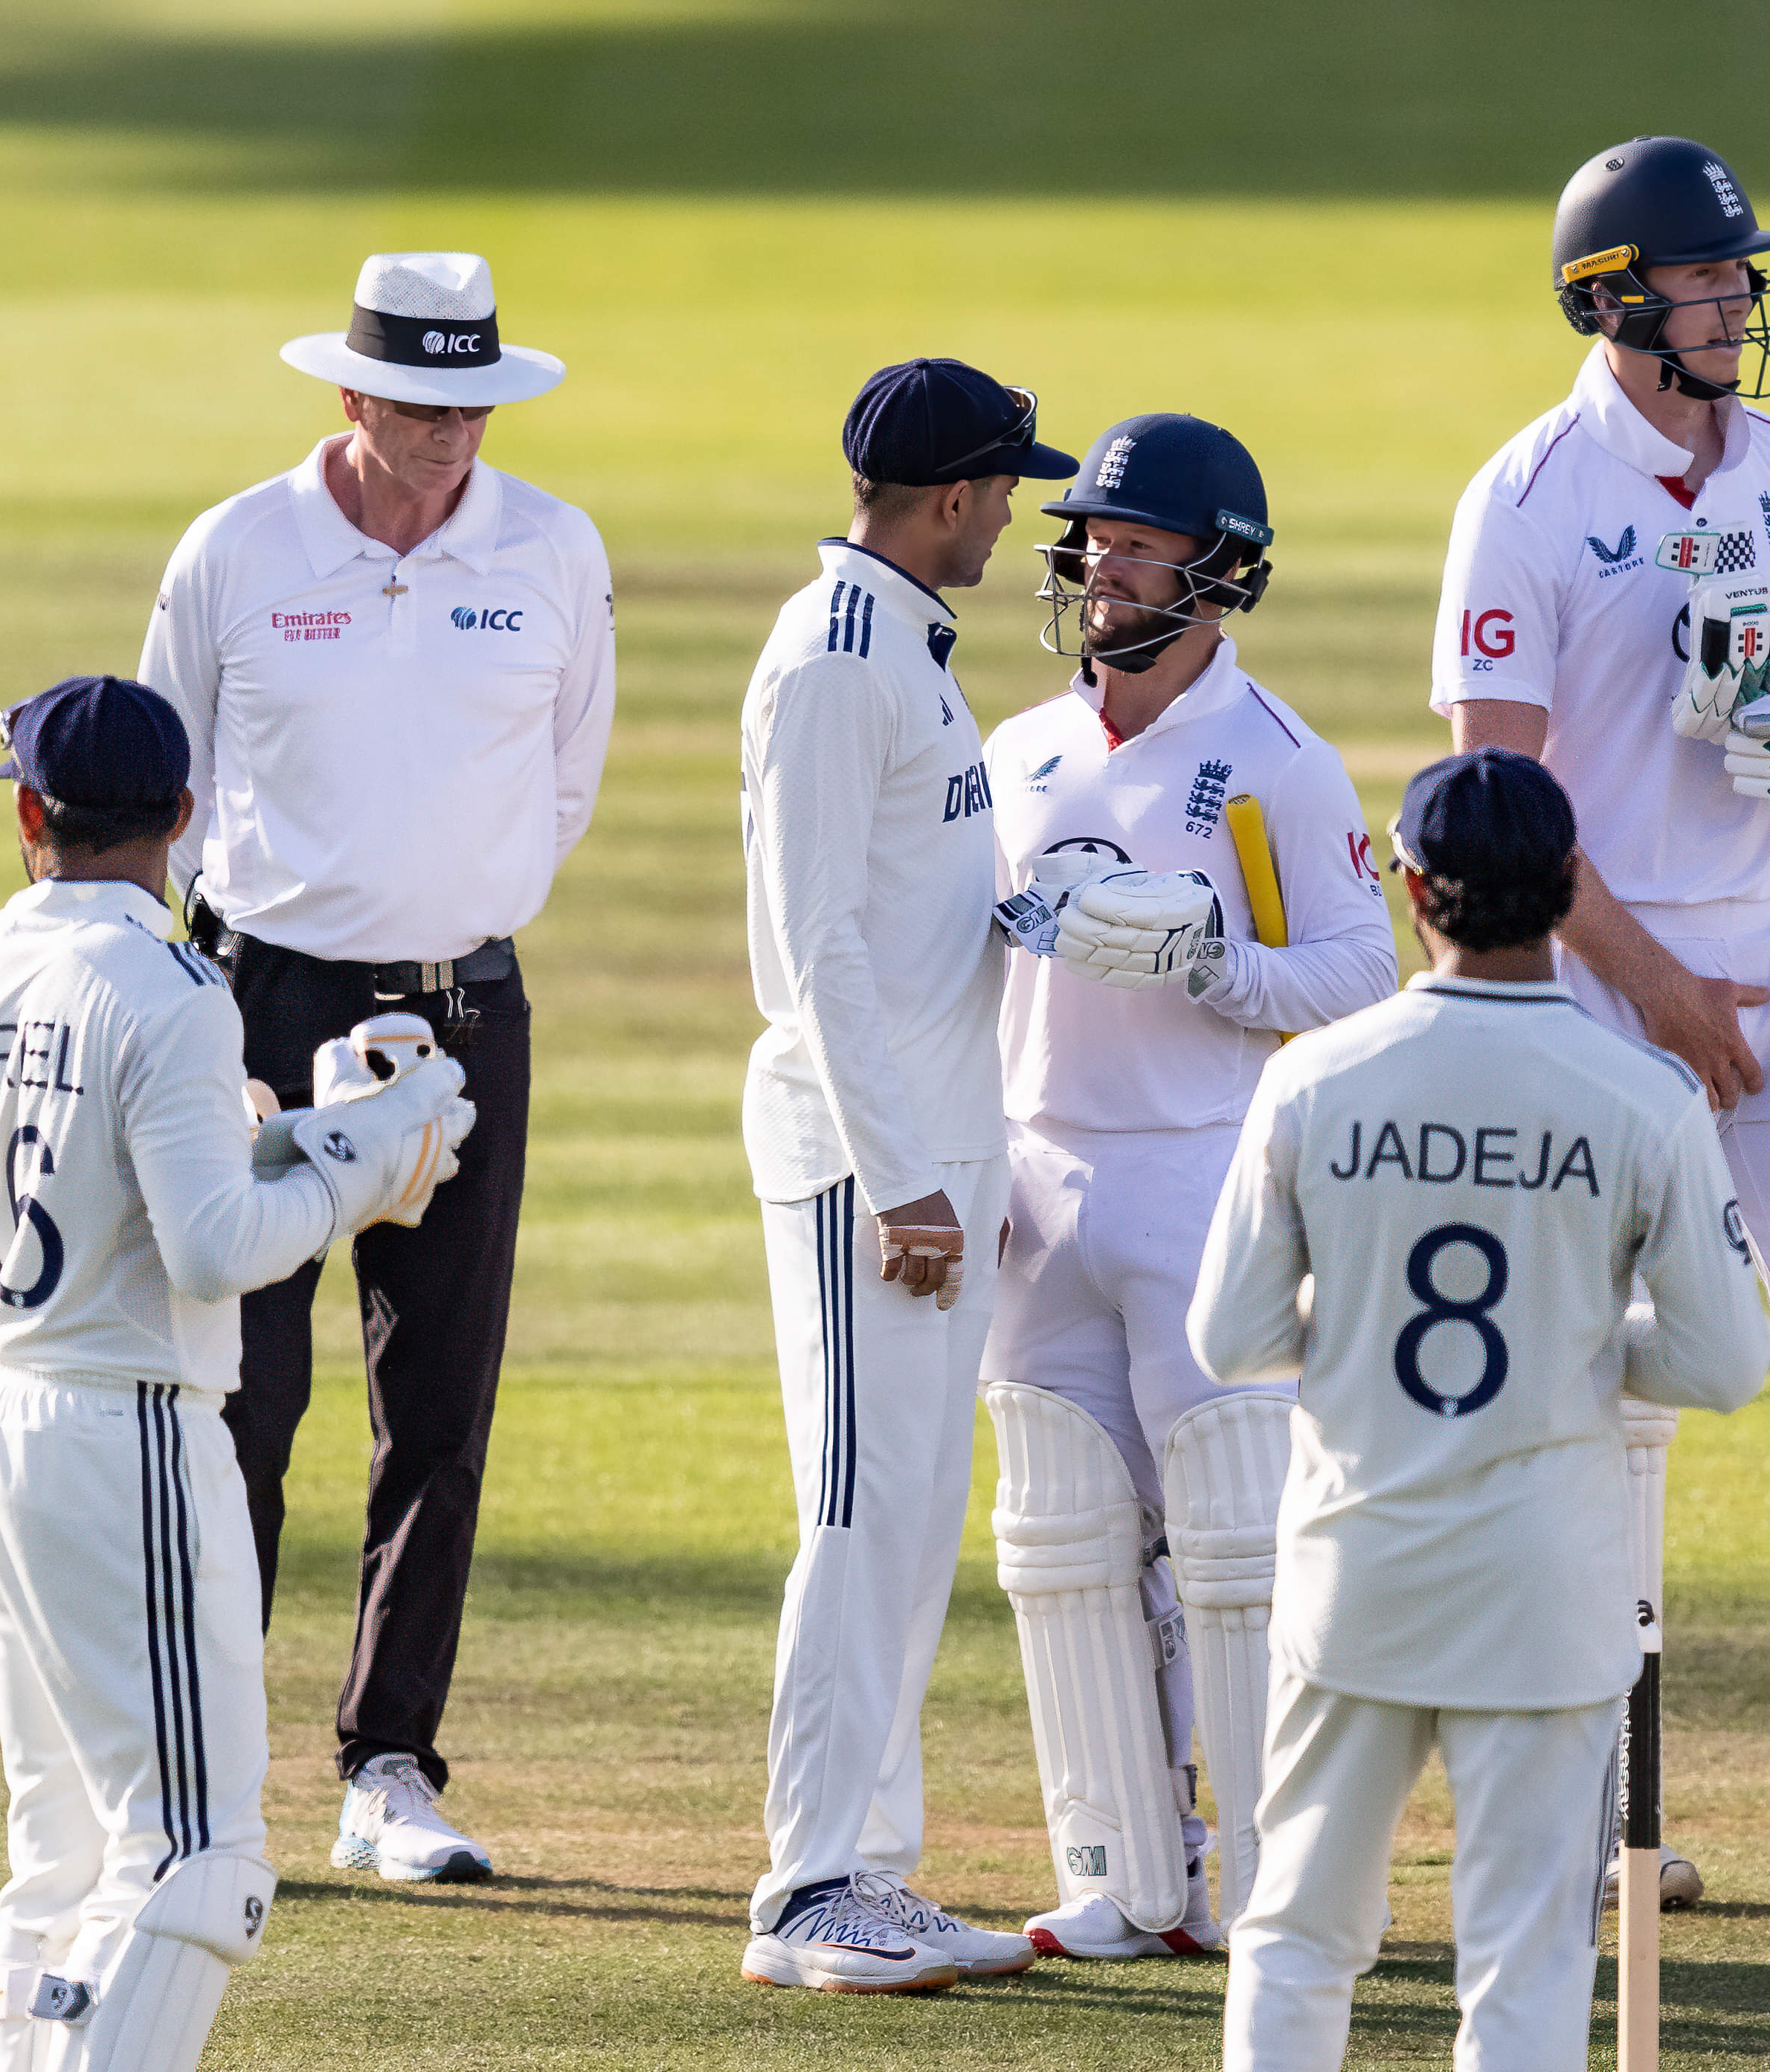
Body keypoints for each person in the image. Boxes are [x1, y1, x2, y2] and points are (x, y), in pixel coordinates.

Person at [1430, 136, 1770, 1888]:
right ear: (1615, 300)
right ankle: (1598, 1792)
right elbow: (1492, 804)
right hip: (1599, 972)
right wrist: (1658, 985)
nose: (1744, 301)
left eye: (1746, 276)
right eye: (1714, 278)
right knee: (1605, 1389)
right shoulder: (1520, 497)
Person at [0, 675, 476, 2072]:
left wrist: (205, 1169)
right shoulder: (174, 989)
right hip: (124, 1429)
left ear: (28, 816)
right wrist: (354, 1159)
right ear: (183, 819)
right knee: (197, 1855)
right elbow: (213, 1255)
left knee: (62, 1847)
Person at [136, 251, 614, 1884]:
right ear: (351, 396)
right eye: (419, 404)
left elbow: (563, 783)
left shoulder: (551, 548)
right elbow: (163, 778)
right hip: (266, 1004)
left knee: (440, 1398)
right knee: (248, 1391)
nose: (449, 434)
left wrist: (447, 919)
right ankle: (203, 1764)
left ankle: (389, 1765)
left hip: (468, 1008)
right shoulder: (240, 548)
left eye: (471, 403)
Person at [1190, 748, 1769, 2072]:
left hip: (1356, 1576)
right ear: (1568, 887)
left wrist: (1360, 1335)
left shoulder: (1315, 1078)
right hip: (1543, 1593)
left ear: (1410, 888)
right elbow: (1725, 1361)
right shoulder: (1646, 1098)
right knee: (1524, 1960)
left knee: (1294, 1937)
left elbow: (1228, 1335)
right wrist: (1577, 1342)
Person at [976, 413, 1397, 1960]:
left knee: (1233, 1549)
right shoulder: (1014, 750)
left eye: (1140, 543)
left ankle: (1273, 1878)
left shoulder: (1276, 761)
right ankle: (1123, 1871)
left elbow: (1361, 973)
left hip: (1199, 1177)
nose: (1103, 567)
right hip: (1036, 1175)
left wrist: (1217, 964)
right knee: (1066, 1539)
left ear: (1220, 573)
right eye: (1093, 537)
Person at [736, 358, 1078, 1993]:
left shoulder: (901, 653)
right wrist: (900, 1182)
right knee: (860, 1514)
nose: (1017, 513)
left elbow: (903, 908)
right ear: (950, 498)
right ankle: (810, 1888)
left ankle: (870, 1865)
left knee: (909, 1517)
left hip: (939, 1151)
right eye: (1006, 488)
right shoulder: (836, 661)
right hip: (867, 1170)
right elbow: (815, 948)